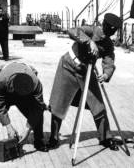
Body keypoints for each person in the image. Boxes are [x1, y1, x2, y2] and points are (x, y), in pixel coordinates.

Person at [47, 13, 122, 151]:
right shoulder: (91, 30)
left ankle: (105, 137)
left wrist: (106, 74)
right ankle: (54, 137)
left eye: (113, 30)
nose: (109, 32)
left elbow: (109, 59)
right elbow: (72, 30)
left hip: (86, 72)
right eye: (108, 28)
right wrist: (89, 41)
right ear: (103, 24)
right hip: (68, 67)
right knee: (58, 104)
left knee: (98, 105)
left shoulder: (108, 44)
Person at [0, 62, 49, 155]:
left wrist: (27, 129)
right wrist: (8, 126)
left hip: (25, 95)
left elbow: (37, 107)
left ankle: (39, 140)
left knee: (38, 110)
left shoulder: (36, 84)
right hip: (5, 93)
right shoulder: (0, 80)